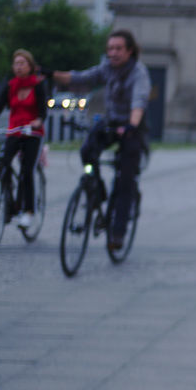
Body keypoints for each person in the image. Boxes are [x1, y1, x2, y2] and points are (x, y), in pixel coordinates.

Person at [51, 30, 150, 251]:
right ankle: (97, 188)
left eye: (118, 49)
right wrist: (51, 74)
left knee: (125, 179)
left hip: (132, 126)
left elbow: (139, 101)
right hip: (111, 122)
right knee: (87, 149)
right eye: (110, 48)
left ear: (129, 51)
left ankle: (117, 232)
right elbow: (82, 78)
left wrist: (132, 125)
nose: (113, 53)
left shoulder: (138, 73)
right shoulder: (106, 67)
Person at [0, 49, 48, 229]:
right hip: (14, 131)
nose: (18, 67)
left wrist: (36, 121)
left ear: (30, 66)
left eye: (22, 63)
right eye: (16, 63)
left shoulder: (37, 85)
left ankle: (28, 212)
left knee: (26, 170)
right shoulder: (11, 85)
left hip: (32, 133)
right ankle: (11, 203)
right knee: (3, 164)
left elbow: (42, 112)